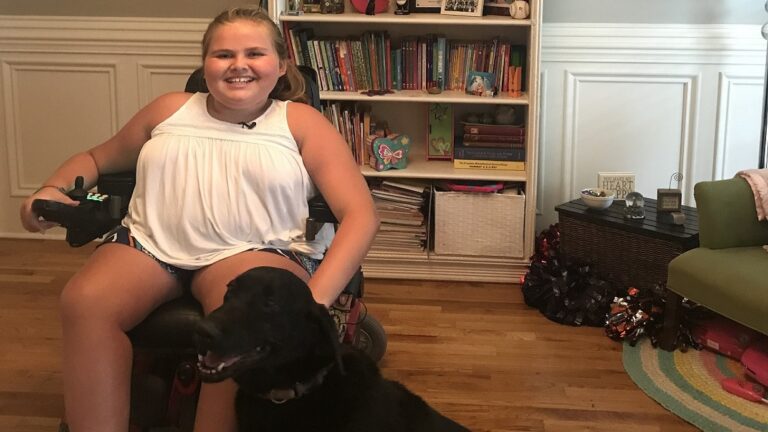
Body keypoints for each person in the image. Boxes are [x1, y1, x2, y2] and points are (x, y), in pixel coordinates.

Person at [19, 6, 379, 432]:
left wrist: (313, 300)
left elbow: (360, 214)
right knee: (85, 302)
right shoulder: (169, 109)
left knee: (241, 326)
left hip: (254, 247)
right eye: (223, 54)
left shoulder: (300, 122)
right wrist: (50, 189)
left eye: (255, 53)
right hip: (151, 242)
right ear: (205, 63)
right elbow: (96, 159)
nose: (239, 65)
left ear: (281, 64)